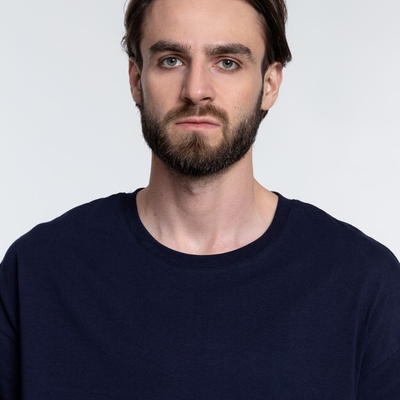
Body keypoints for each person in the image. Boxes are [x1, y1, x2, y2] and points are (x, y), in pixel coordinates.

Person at [1, 0, 399, 398]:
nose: (195, 91)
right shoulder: (38, 271)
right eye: (171, 60)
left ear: (270, 84)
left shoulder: (363, 283)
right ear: (136, 79)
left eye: (227, 62)